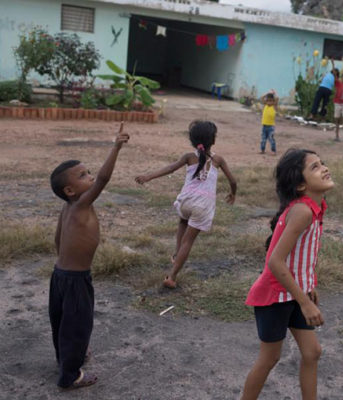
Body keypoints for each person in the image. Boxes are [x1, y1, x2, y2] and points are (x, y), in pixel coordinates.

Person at [241, 148, 334, 400]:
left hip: (294, 292)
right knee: (269, 358)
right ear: (301, 185)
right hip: (273, 296)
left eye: (322, 162)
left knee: (312, 352)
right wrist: (305, 303)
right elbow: (275, 262)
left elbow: (302, 255)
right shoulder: (302, 211)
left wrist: (308, 285)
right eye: (314, 167)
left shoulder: (316, 206)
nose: (324, 168)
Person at [49, 122, 129, 389]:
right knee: (78, 325)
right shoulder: (82, 203)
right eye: (83, 176)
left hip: (60, 276)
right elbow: (105, 179)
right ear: (69, 191)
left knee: (62, 322)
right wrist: (115, 147)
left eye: (88, 172)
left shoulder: (68, 208)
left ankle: (67, 359)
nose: (91, 177)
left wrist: (65, 264)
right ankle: (70, 376)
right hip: (75, 279)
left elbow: (58, 240)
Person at [135, 120, 237, 288]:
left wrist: (148, 176)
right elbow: (233, 181)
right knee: (188, 241)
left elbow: (170, 168)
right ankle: (172, 276)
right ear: (213, 140)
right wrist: (233, 194)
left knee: (183, 220)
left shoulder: (189, 157)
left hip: (185, 201)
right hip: (202, 206)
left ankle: (176, 253)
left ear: (193, 141)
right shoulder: (218, 160)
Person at [260, 90, 278, 155]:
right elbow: (262, 98)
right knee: (263, 139)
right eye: (268, 100)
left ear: (273, 101)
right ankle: (262, 150)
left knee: (271, 139)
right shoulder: (265, 106)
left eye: (271, 101)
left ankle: (273, 150)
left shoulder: (274, 107)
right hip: (264, 126)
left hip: (271, 127)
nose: (269, 102)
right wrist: (267, 93)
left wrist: (274, 94)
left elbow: (277, 99)